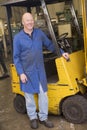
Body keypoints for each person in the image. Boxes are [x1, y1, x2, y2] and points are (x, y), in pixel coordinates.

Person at [13, 12, 69, 129]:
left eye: (31, 20)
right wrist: (21, 73)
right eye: (27, 20)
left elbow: (50, 45)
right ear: (23, 23)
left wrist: (62, 52)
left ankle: (43, 117)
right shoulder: (18, 38)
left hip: (39, 71)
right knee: (29, 97)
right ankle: (33, 117)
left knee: (43, 95)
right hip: (27, 72)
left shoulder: (39, 33)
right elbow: (16, 57)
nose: (30, 22)